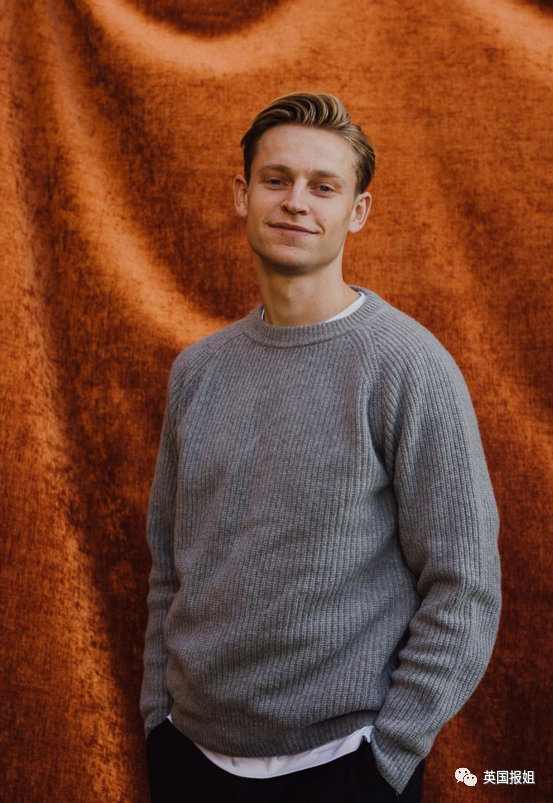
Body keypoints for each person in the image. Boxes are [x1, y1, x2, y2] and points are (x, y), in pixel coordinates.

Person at [140, 92, 501, 803]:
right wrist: (159, 723)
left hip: (345, 766)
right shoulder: (198, 371)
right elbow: (168, 571)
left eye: (323, 186)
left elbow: (465, 583)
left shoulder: (407, 366)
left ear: (357, 212)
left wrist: (388, 755)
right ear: (242, 195)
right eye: (276, 179)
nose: (296, 202)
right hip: (189, 758)